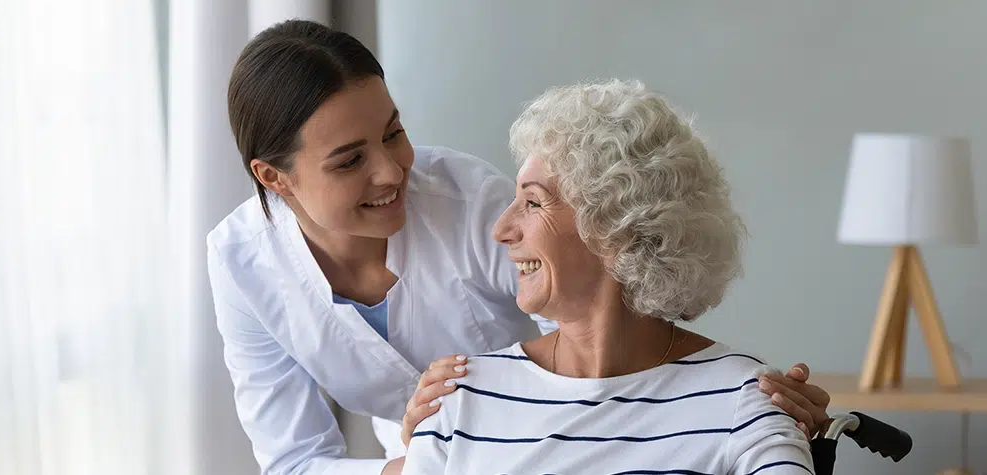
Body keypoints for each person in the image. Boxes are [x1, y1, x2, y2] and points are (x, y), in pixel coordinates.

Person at [207, 19, 828, 475]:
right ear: (274, 177)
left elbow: (595, 345)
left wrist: (739, 397)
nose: (393, 173)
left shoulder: (470, 203)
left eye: (395, 133)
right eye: (349, 161)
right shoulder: (240, 262)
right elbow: (295, 462)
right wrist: (428, 456)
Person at [401, 79, 814, 474]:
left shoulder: (745, 401)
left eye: (532, 202)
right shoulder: (459, 399)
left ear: (617, 225)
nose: (502, 229)